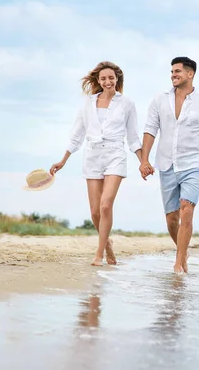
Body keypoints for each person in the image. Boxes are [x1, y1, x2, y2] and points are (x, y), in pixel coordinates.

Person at [50, 61, 143, 266]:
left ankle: (99, 254)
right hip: (92, 155)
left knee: (106, 205)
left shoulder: (127, 104)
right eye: (103, 78)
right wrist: (63, 160)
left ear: (117, 79)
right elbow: (77, 134)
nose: (107, 81)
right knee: (94, 212)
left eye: (111, 78)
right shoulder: (88, 103)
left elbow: (134, 137)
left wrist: (143, 161)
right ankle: (108, 245)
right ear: (98, 81)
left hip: (115, 155)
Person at [139, 56, 199, 274]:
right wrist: (144, 160)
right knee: (171, 219)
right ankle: (183, 252)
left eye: (177, 71)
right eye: (172, 72)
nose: (173, 75)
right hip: (166, 165)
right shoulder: (159, 100)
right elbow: (150, 129)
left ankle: (178, 263)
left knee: (187, 209)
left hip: (192, 164)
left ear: (190, 73)